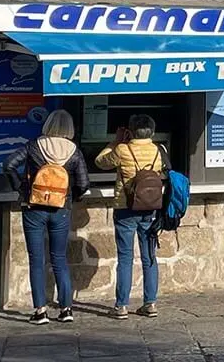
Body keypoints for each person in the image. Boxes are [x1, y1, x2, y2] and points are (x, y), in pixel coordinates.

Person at [2, 109, 90, 325]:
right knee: (59, 258)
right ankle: (66, 308)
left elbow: (9, 164)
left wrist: (22, 187)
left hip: (34, 207)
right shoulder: (74, 151)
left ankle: (40, 311)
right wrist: (71, 197)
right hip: (61, 209)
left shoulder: (34, 146)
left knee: (36, 259)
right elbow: (84, 183)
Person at [96, 114, 164, 320]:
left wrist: (116, 140)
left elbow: (100, 161)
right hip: (150, 208)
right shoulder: (158, 150)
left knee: (125, 257)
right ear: (151, 131)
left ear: (131, 131)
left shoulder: (122, 149)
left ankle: (121, 306)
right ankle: (150, 303)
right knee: (149, 256)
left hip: (125, 208)